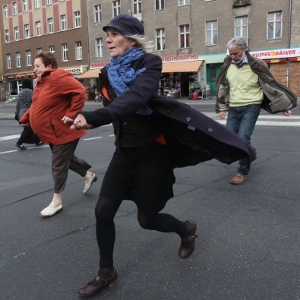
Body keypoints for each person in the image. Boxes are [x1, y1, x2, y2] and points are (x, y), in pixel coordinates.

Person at [71, 15, 256, 297]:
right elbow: (117, 111)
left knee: (147, 219)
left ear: (130, 37)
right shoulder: (107, 71)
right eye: (106, 35)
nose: (107, 39)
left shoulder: (149, 63)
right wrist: (80, 118)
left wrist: (95, 116)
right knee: (102, 212)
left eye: (113, 34)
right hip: (123, 153)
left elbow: (137, 98)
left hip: (152, 152)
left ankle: (186, 229)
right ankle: (106, 272)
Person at [19, 52, 98, 217]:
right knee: (66, 160)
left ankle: (57, 202)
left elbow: (80, 91)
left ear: (49, 66)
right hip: (52, 133)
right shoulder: (41, 83)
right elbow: (36, 105)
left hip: (64, 132)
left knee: (58, 165)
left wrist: (71, 114)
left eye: (37, 66)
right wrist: (26, 118)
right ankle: (88, 175)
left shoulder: (58, 77)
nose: (34, 69)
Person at [215, 36, 297, 185]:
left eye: (236, 53)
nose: (233, 57)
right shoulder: (227, 64)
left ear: (245, 49)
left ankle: (242, 172)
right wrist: (222, 107)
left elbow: (271, 84)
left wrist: (284, 106)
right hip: (234, 106)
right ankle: (249, 150)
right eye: (231, 53)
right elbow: (224, 87)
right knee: (230, 139)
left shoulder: (257, 64)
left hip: (251, 106)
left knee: (243, 138)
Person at [15, 79, 42, 150]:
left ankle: (37, 141)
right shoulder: (29, 92)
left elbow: (18, 105)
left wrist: (17, 115)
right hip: (28, 113)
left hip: (21, 113)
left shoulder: (20, 93)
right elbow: (36, 101)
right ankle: (19, 143)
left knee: (33, 127)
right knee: (28, 128)